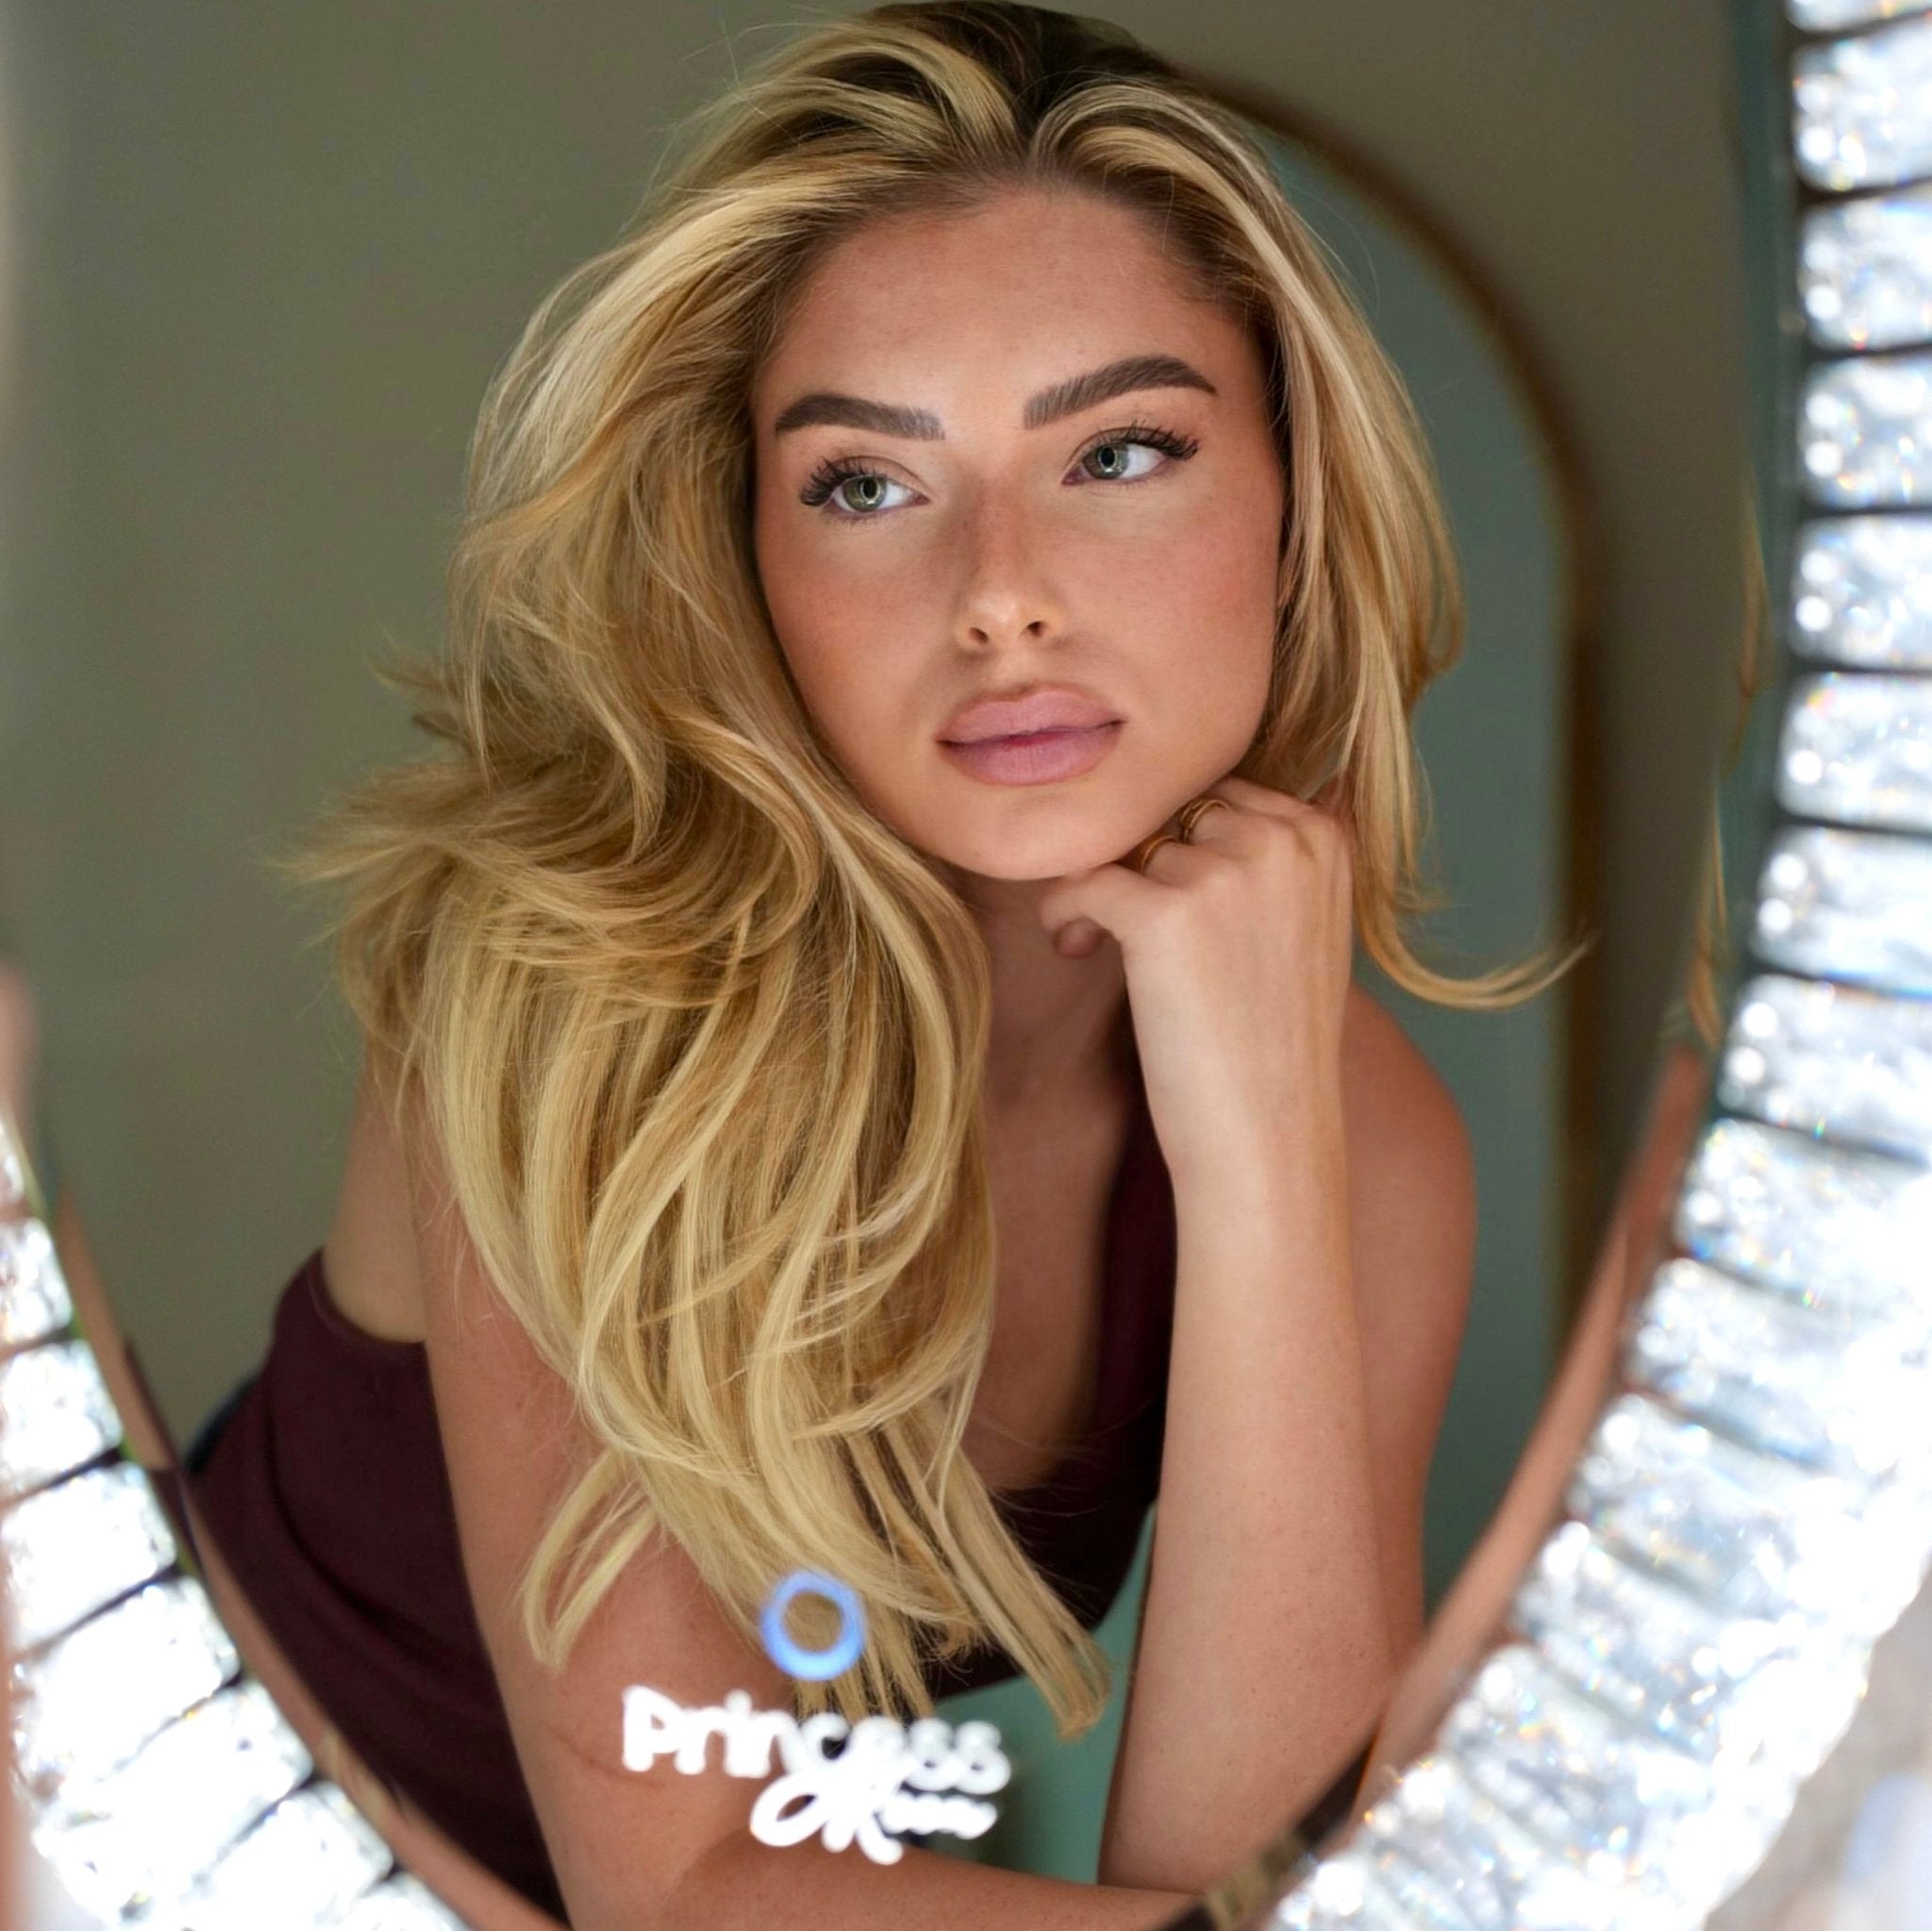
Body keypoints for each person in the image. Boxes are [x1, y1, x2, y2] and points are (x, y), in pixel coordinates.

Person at [188, 5, 1582, 1925]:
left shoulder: (1367, 1135)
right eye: (864, 483)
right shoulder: (576, 990)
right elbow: (689, 1890)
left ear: (1293, 503)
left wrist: (1261, 1153)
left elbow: (1256, 1876)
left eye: (1120, 451)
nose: (1000, 591)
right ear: (747, 555)